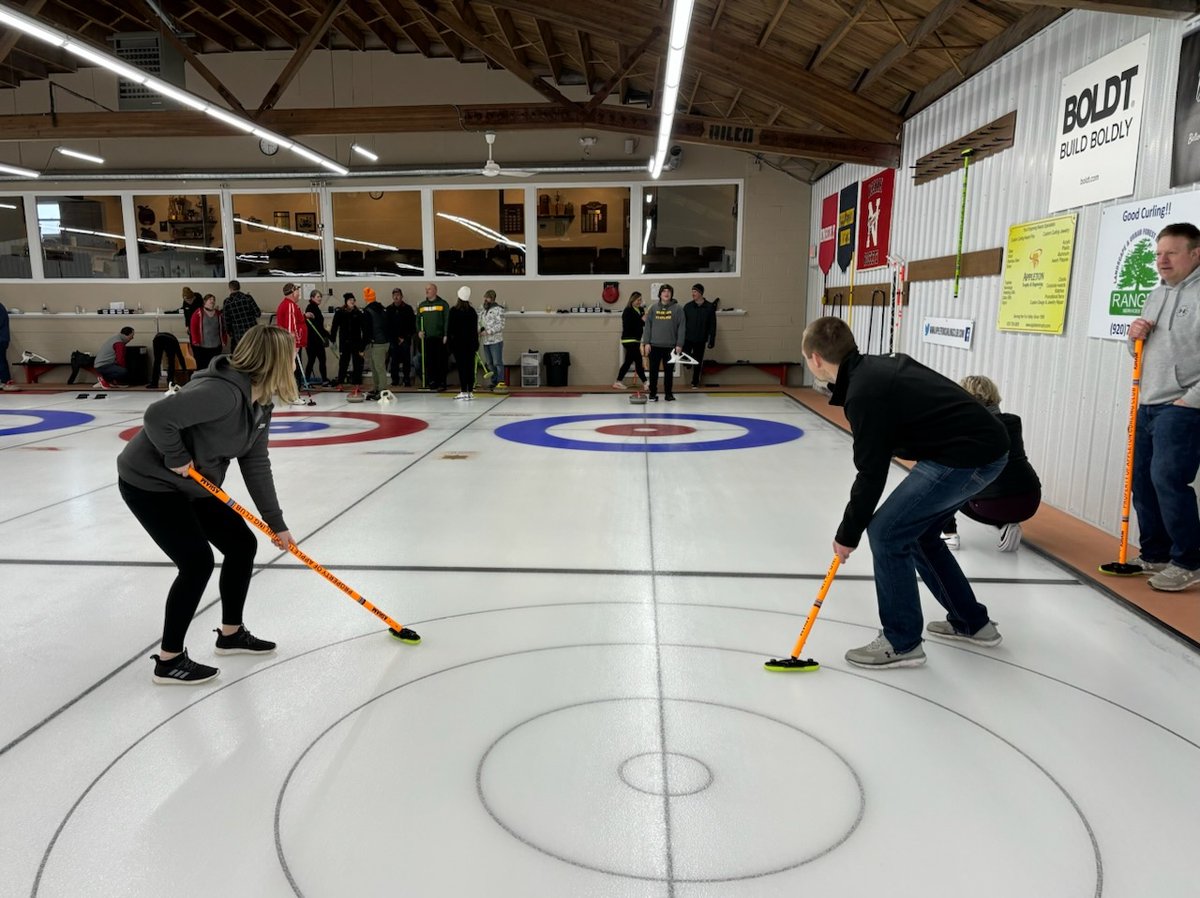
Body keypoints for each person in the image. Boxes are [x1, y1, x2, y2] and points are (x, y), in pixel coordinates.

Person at [802, 315, 1010, 669]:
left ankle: (902, 642)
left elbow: (872, 473)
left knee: (886, 532)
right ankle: (972, 622)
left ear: (816, 359)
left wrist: (847, 533)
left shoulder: (864, 392)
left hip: (967, 456)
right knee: (919, 534)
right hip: (983, 449)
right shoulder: (873, 371)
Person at [117, 325, 299, 685]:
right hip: (150, 483)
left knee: (241, 544)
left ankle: (231, 634)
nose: (297, 360)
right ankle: (169, 661)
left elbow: (255, 463)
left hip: (194, 486)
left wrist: (276, 522)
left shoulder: (261, 403)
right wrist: (175, 455)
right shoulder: (222, 393)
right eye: (293, 354)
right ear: (276, 360)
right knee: (196, 562)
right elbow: (157, 417)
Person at [1125, 221, 1200, 592]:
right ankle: (1155, 554)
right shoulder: (1156, 295)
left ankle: (1188, 561)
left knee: (1168, 481)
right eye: (1158, 254)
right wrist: (1132, 337)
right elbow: (1140, 351)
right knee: (1142, 481)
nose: (1161, 260)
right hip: (1148, 402)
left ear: (1195, 254)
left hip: (1182, 406)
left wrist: (1190, 400)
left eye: (1171, 253)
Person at [939, 375, 1041, 552]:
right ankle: (1007, 525)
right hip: (1030, 498)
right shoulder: (1013, 422)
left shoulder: (965, 427)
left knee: (942, 480)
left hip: (991, 504)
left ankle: (949, 534)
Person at [641, 283, 684, 402]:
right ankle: (652, 394)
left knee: (669, 372)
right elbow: (648, 327)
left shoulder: (678, 309)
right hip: (654, 346)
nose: (666, 293)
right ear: (660, 294)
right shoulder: (653, 308)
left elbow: (682, 327)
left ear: (671, 294)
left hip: (670, 347)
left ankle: (668, 394)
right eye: (664, 291)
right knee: (653, 372)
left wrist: (679, 344)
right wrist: (646, 343)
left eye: (669, 291)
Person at [682, 283, 717, 388]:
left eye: (695, 292)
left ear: (701, 293)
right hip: (687, 338)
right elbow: (682, 323)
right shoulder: (687, 307)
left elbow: (712, 325)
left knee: (698, 361)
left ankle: (695, 381)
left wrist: (711, 340)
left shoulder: (709, 307)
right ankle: (688, 364)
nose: (693, 294)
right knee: (684, 357)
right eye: (692, 292)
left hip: (701, 339)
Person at [274, 282, 307, 392]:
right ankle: (293, 392)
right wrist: (293, 343)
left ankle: (293, 391)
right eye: (298, 291)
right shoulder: (289, 305)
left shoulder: (290, 305)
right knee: (293, 367)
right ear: (293, 293)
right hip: (291, 343)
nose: (299, 294)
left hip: (291, 342)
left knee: (292, 367)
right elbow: (290, 326)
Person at [418, 282, 450, 391]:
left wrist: (446, 334)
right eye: (426, 289)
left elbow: (447, 320)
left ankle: (442, 382)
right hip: (427, 338)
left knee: (441, 361)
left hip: (440, 338)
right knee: (429, 361)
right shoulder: (422, 305)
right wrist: (419, 331)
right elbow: (418, 320)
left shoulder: (443, 304)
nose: (427, 291)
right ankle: (432, 381)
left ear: (435, 290)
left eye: (429, 289)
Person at [449, 286, 479, 400]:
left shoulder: (453, 311)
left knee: (462, 368)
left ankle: (463, 391)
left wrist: (450, 345)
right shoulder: (472, 311)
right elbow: (474, 330)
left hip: (458, 344)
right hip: (470, 344)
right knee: (470, 367)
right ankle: (470, 391)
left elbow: (450, 329)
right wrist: (476, 344)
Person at [613, 291, 647, 390]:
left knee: (628, 362)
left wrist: (644, 319)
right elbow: (629, 325)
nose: (639, 302)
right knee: (638, 361)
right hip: (629, 340)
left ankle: (618, 381)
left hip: (636, 340)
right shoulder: (627, 311)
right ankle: (646, 382)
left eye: (640, 300)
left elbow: (643, 324)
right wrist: (641, 320)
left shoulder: (640, 310)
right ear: (632, 300)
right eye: (637, 300)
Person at [329, 292, 365, 386]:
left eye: (353, 300)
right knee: (343, 362)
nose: (352, 302)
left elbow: (364, 328)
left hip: (356, 341)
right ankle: (340, 382)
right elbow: (334, 327)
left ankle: (357, 382)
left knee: (357, 363)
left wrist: (363, 344)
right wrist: (332, 339)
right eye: (350, 300)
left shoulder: (358, 313)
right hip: (344, 342)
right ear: (346, 301)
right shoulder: (340, 313)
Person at [361, 286, 389, 400]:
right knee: (375, 367)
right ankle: (377, 388)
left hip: (377, 343)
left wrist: (362, 347)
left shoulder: (367, 311)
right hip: (383, 342)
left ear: (366, 298)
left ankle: (383, 391)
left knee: (379, 368)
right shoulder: (382, 309)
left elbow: (366, 331)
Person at [385, 287, 416, 387]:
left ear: (401, 296)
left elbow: (412, 325)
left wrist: (405, 338)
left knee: (406, 360)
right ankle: (395, 380)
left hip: (405, 339)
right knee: (394, 361)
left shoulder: (408, 309)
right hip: (393, 340)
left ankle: (406, 379)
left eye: (398, 295)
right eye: (394, 295)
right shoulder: (389, 309)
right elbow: (387, 326)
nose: (396, 297)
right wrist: (394, 338)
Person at [188, 293, 226, 372]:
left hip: (216, 345)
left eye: (213, 300)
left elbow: (223, 328)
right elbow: (193, 327)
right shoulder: (198, 313)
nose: (212, 301)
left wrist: (224, 340)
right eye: (210, 299)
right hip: (203, 346)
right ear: (205, 301)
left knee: (215, 366)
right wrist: (195, 340)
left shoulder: (218, 314)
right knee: (203, 366)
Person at [223, 279, 261, 355]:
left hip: (238, 333)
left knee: (241, 353)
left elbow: (227, 320)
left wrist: (229, 332)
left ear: (230, 289)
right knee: (254, 353)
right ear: (239, 287)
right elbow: (258, 313)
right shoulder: (248, 298)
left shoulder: (227, 302)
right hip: (252, 331)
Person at [478, 289, 505, 389]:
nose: (485, 299)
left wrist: (488, 332)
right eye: (485, 297)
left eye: (487, 298)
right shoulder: (483, 310)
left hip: (496, 341)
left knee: (497, 362)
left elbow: (500, 325)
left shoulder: (499, 310)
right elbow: (480, 322)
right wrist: (479, 330)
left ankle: (501, 381)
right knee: (489, 363)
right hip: (486, 341)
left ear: (492, 298)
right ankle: (494, 381)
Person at [303, 289, 330, 387]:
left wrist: (326, 334)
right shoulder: (310, 308)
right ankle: (306, 380)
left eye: (320, 297)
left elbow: (319, 325)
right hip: (312, 340)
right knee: (311, 360)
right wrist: (326, 334)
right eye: (318, 297)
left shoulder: (316, 308)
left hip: (318, 339)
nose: (320, 299)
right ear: (312, 298)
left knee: (321, 360)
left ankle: (324, 380)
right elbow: (314, 325)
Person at [0, 298, 12, 389]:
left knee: (1, 360)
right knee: (1, 360)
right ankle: (5, 381)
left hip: (1, 339)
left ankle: (5, 381)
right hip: (3, 338)